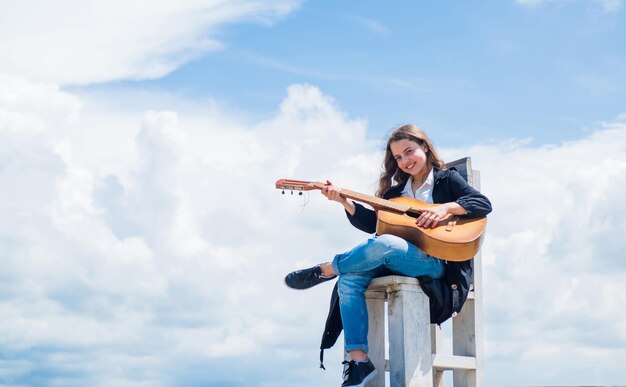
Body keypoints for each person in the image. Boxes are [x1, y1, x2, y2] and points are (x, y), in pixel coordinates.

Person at [284, 124, 492, 387]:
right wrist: (343, 202)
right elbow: (374, 224)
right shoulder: (395, 195)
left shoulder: (446, 180)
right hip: (397, 259)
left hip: (436, 264)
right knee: (350, 278)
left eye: (409, 152)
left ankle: (327, 268)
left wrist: (445, 209)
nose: (405, 161)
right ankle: (358, 361)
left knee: (384, 244)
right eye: (398, 157)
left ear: (424, 147)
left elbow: (483, 204)